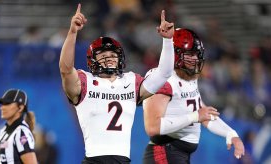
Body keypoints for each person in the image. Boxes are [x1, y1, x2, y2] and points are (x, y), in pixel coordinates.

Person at [59, 3, 175, 163]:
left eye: (113, 54)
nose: (109, 58)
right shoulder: (86, 81)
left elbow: (164, 73)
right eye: (103, 54)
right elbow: (65, 69)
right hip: (94, 160)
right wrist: (72, 32)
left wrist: (168, 41)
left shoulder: (131, 81)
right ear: (93, 61)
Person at [142, 28, 245, 164]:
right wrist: (195, 116)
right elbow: (152, 127)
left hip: (177, 154)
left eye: (196, 54)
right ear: (175, 53)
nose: (194, 59)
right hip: (164, 152)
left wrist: (231, 134)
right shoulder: (162, 78)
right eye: (189, 54)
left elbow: (203, 113)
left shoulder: (189, 76)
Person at [0, 89, 38, 164]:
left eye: (7, 103)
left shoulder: (21, 133)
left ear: (20, 107)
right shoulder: (4, 131)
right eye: (2, 104)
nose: (1, 107)